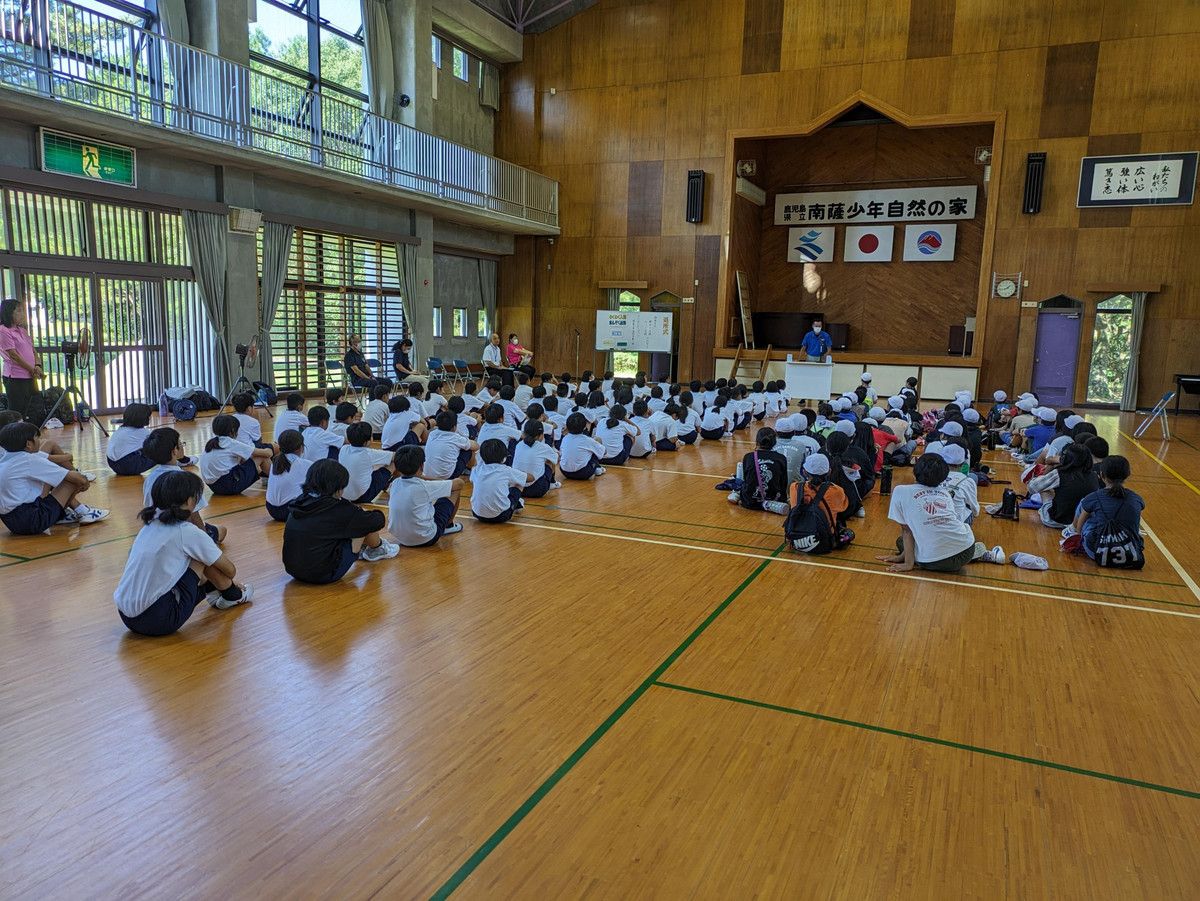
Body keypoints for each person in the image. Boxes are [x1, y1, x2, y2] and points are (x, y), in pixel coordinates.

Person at [113, 471, 251, 636]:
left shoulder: (149, 527)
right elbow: (230, 570)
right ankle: (233, 595)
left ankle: (216, 591)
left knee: (194, 555)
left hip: (126, 616)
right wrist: (228, 580)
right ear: (188, 502)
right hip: (158, 620)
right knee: (200, 556)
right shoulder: (187, 532)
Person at [876, 454, 1004, 573]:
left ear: (915, 471)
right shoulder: (944, 493)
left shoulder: (900, 491)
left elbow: (907, 531)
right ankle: (980, 553)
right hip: (966, 550)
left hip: (932, 562)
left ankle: (927, 554)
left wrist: (908, 562)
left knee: (902, 541)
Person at [283, 459, 398, 583]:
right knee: (361, 523)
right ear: (337, 487)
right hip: (323, 575)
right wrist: (359, 510)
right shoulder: (337, 508)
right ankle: (378, 548)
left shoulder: (300, 501)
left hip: (293, 570)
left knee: (353, 522)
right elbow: (378, 521)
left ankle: (371, 548)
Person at [0, 421, 108, 532]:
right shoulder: (29, 460)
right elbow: (80, 480)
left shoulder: (6, 458)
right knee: (72, 480)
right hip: (31, 520)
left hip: (11, 522)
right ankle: (69, 514)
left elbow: (49, 460)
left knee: (56, 477)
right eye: (37, 438)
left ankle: (65, 514)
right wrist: (83, 483)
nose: (40, 441)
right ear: (28, 444)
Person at [142, 427, 226, 543]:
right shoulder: (185, 480)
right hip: (182, 532)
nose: (182, 446)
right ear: (174, 451)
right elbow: (194, 515)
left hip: (159, 531)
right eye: (181, 443)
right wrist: (205, 540)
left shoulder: (150, 478)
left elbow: (149, 507)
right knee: (222, 530)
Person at [1073, 455, 1145, 565]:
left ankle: (1069, 531)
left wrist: (1078, 532)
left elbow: (1080, 527)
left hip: (1098, 552)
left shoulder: (1094, 497)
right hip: (1131, 552)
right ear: (1127, 475)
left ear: (1101, 475)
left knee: (1085, 506)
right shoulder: (1136, 498)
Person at [388, 445, 464, 546]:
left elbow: (415, 480)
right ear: (421, 466)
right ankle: (448, 526)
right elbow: (460, 483)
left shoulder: (395, 483)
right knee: (454, 490)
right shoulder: (424, 486)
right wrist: (444, 481)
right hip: (426, 538)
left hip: (400, 537)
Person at [1029, 443, 1099, 530]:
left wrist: (1038, 478)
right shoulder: (1094, 476)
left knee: (1044, 488)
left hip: (1056, 521)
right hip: (1080, 522)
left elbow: (1032, 488)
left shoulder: (1059, 473)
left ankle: (1045, 511)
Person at [199, 414, 272, 495]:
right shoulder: (230, 443)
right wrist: (268, 450)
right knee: (262, 457)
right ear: (233, 431)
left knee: (243, 456)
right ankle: (276, 479)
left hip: (214, 487)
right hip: (229, 485)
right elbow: (267, 454)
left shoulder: (212, 442)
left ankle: (265, 476)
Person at [470, 438, 534, 523]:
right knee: (519, 483)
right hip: (500, 516)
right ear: (503, 458)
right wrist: (521, 473)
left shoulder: (476, 469)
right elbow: (530, 478)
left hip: (477, 513)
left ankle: (515, 503)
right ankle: (515, 504)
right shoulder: (505, 470)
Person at [0, 298, 41, 420]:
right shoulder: (3, 330)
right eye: (18, 311)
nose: (22, 314)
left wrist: (37, 366)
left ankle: (24, 435)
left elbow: (33, 350)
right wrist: (32, 369)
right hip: (15, 377)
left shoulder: (22, 330)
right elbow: (13, 355)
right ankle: (10, 437)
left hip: (29, 375)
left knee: (27, 410)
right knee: (15, 411)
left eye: (22, 310)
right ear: (9, 313)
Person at [732, 427, 788, 511]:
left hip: (750, 501)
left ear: (757, 442)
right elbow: (783, 483)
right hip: (775, 498)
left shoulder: (748, 457)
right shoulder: (781, 458)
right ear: (774, 443)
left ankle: (737, 496)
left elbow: (747, 479)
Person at [339, 422, 396, 504]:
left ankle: (385, 483)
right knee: (394, 462)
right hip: (363, 496)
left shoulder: (343, 449)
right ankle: (397, 487)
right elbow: (396, 456)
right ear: (367, 442)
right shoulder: (368, 454)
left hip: (343, 494)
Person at [266, 430, 311, 522]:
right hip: (290, 510)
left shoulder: (275, 461)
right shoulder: (305, 464)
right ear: (301, 447)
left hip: (271, 509)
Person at [107, 403, 160, 475]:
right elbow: (160, 443)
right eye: (149, 416)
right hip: (128, 465)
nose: (150, 418)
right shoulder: (142, 433)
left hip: (113, 464)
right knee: (161, 450)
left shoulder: (120, 429)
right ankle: (177, 462)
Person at [512, 419, 560, 497]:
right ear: (540, 435)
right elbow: (556, 460)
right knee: (549, 460)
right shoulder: (543, 447)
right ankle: (552, 482)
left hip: (518, 488)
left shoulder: (519, 445)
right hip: (537, 489)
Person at [424, 410, 477, 479]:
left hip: (428, 473)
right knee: (469, 449)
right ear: (454, 427)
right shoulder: (455, 438)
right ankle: (469, 471)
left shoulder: (432, 434)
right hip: (447, 476)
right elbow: (476, 446)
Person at [559, 412, 606, 480]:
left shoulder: (565, 438)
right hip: (583, 473)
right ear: (584, 427)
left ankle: (596, 468)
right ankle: (597, 468)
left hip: (564, 472)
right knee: (597, 442)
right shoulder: (587, 440)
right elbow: (604, 452)